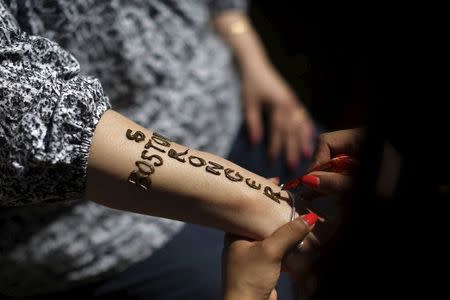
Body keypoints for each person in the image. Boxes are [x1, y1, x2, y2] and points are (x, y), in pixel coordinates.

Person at [0, 1, 316, 298]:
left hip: (237, 112)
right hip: (102, 223)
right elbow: (18, 111)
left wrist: (243, 41)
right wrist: (257, 201)